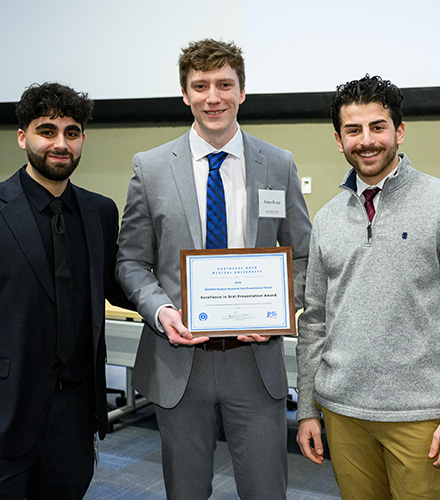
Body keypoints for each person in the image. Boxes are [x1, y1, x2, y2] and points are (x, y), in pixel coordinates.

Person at [116, 39, 311, 499]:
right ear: (184, 94)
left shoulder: (278, 165)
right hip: (179, 360)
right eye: (200, 86)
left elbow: (303, 256)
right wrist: (162, 313)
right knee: (185, 493)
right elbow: (131, 261)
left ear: (242, 91)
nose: (213, 97)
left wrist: (280, 308)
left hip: (255, 361)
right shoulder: (151, 168)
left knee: (266, 491)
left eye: (225, 84)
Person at [0, 82, 131, 499]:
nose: (60, 143)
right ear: (23, 137)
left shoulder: (100, 211)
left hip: (74, 419)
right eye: (47, 130)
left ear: (82, 140)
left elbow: (119, 285)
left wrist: (191, 296)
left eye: (71, 133)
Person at [295, 75, 440, 499]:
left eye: (377, 127)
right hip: (343, 413)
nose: (366, 141)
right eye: (353, 130)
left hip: (420, 416)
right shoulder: (327, 219)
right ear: (339, 139)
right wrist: (308, 409)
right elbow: (314, 322)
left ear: (399, 131)